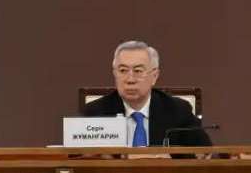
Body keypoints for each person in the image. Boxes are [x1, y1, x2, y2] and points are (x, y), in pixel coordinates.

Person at [83, 40, 211, 147]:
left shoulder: (177, 111)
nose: (130, 79)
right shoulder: (95, 113)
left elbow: (205, 154)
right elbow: (78, 159)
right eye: (123, 70)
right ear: (114, 74)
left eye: (138, 71)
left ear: (154, 76)